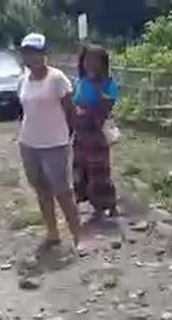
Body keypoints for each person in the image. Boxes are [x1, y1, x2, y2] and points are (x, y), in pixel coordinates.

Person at [17, 33, 83, 252]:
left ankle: (78, 237)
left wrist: (66, 136)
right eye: (28, 53)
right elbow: (26, 111)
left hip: (55, 144)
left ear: (45, 54)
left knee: (63, 192)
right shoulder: (23, 80)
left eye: (37, 53)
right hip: (29, 144)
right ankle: (52, 233)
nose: (32, 58)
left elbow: (70, 111)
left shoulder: (57, 78)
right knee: (42, 191)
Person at [73, 44, 120, 221]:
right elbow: (73, 104)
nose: (91, 64)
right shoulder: (79, 82)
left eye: (95, 60)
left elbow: (107, 107)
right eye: (87, 60)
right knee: (81, 170)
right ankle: (92, 204)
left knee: (99, 171)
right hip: (80, 134)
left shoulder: (109, 84)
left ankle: (108, 204)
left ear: (103, 63)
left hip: (97, 134)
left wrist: (93, 104)